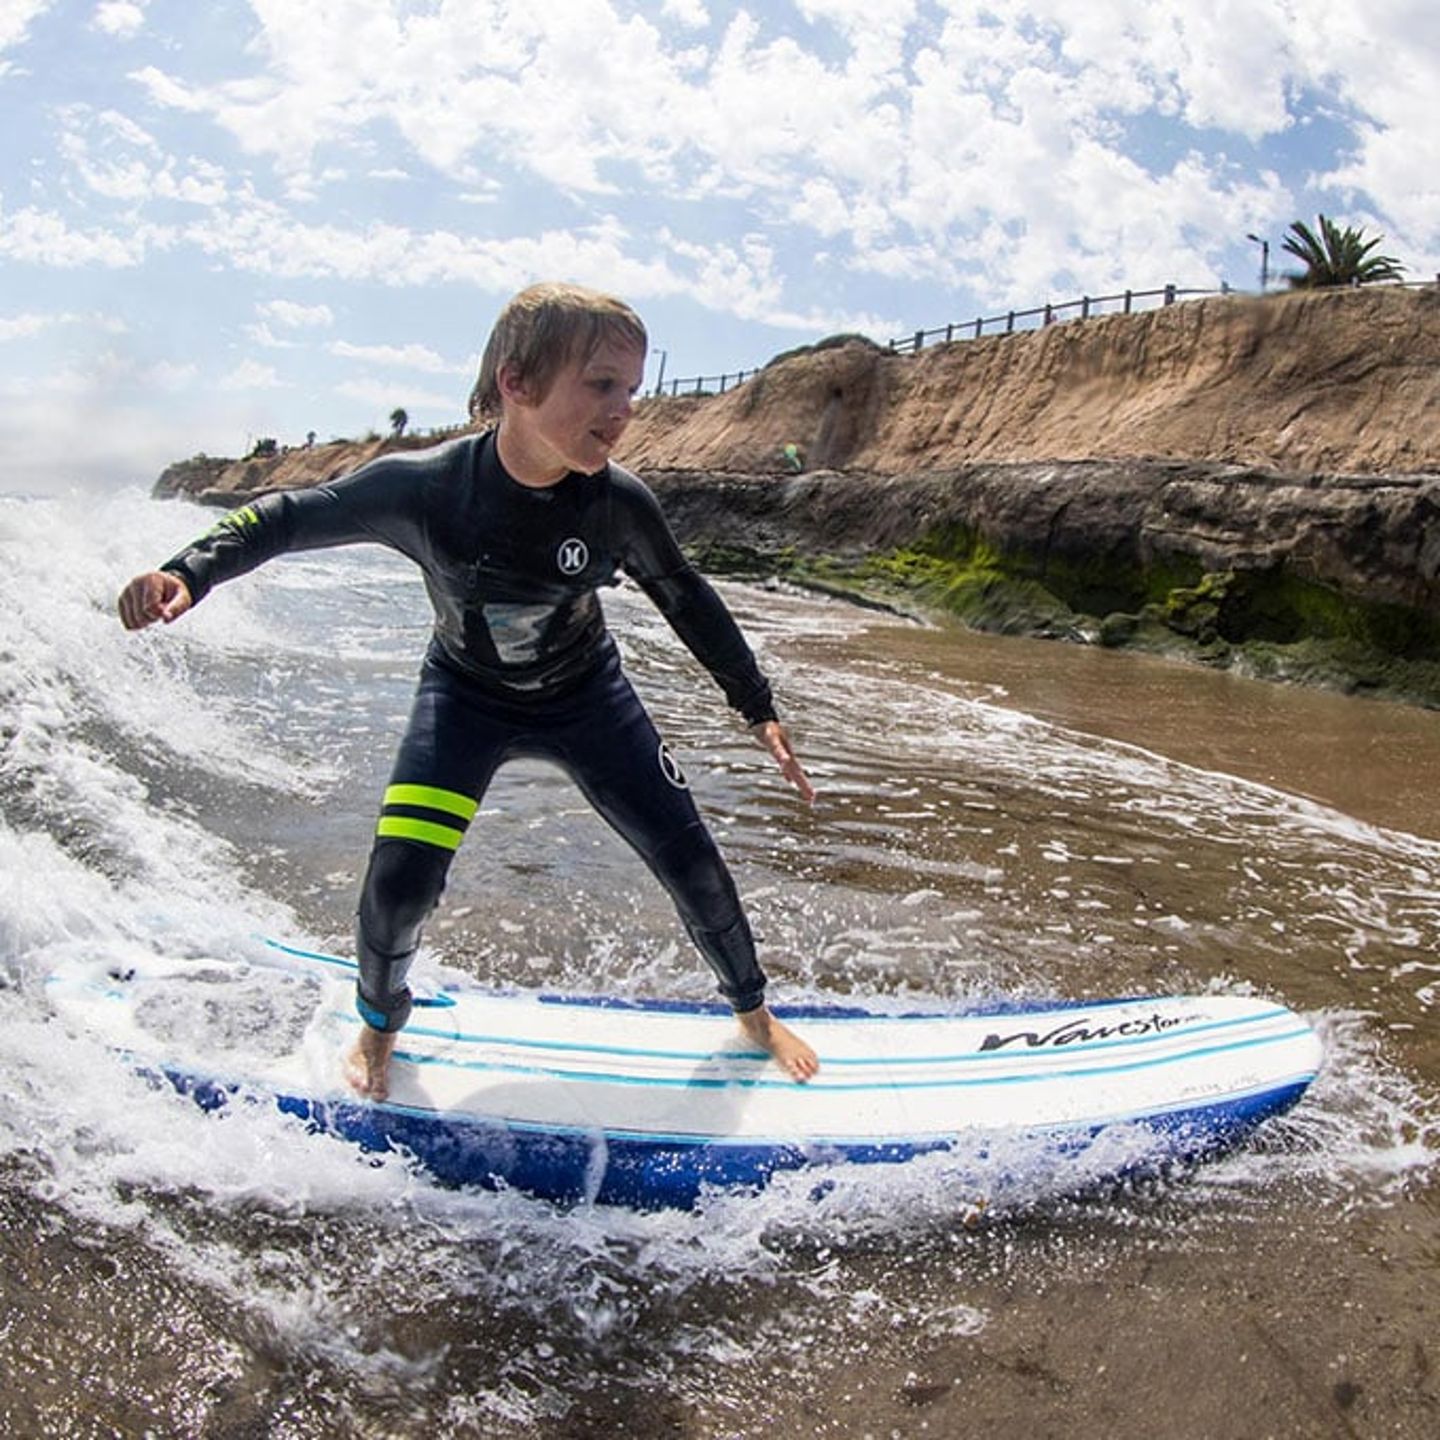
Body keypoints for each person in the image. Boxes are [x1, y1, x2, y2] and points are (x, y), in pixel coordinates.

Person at [117, 281, 820, 1099]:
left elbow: (684, 595)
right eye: (601, 384)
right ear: (516, 383)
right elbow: (284, 517)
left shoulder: (617, 504)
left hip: (589, 699)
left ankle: (753, 1013)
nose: (624, 409)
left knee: (694, 865)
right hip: (465, 700)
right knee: (399, 886)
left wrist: (756, 706)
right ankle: (380, 1025)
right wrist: (186, 574)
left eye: (630, 388)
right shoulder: (428, 489)